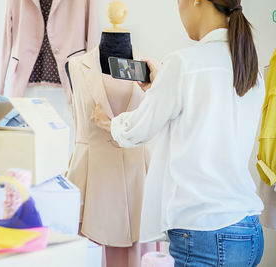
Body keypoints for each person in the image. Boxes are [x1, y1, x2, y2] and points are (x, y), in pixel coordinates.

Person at [94, 0, 265, 266]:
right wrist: (159, 89)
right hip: (248, 230)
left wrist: (107, 122)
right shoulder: (249, 67)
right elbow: (204, 119)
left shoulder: (184, 63)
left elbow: (138, 130)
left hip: (205, 233)